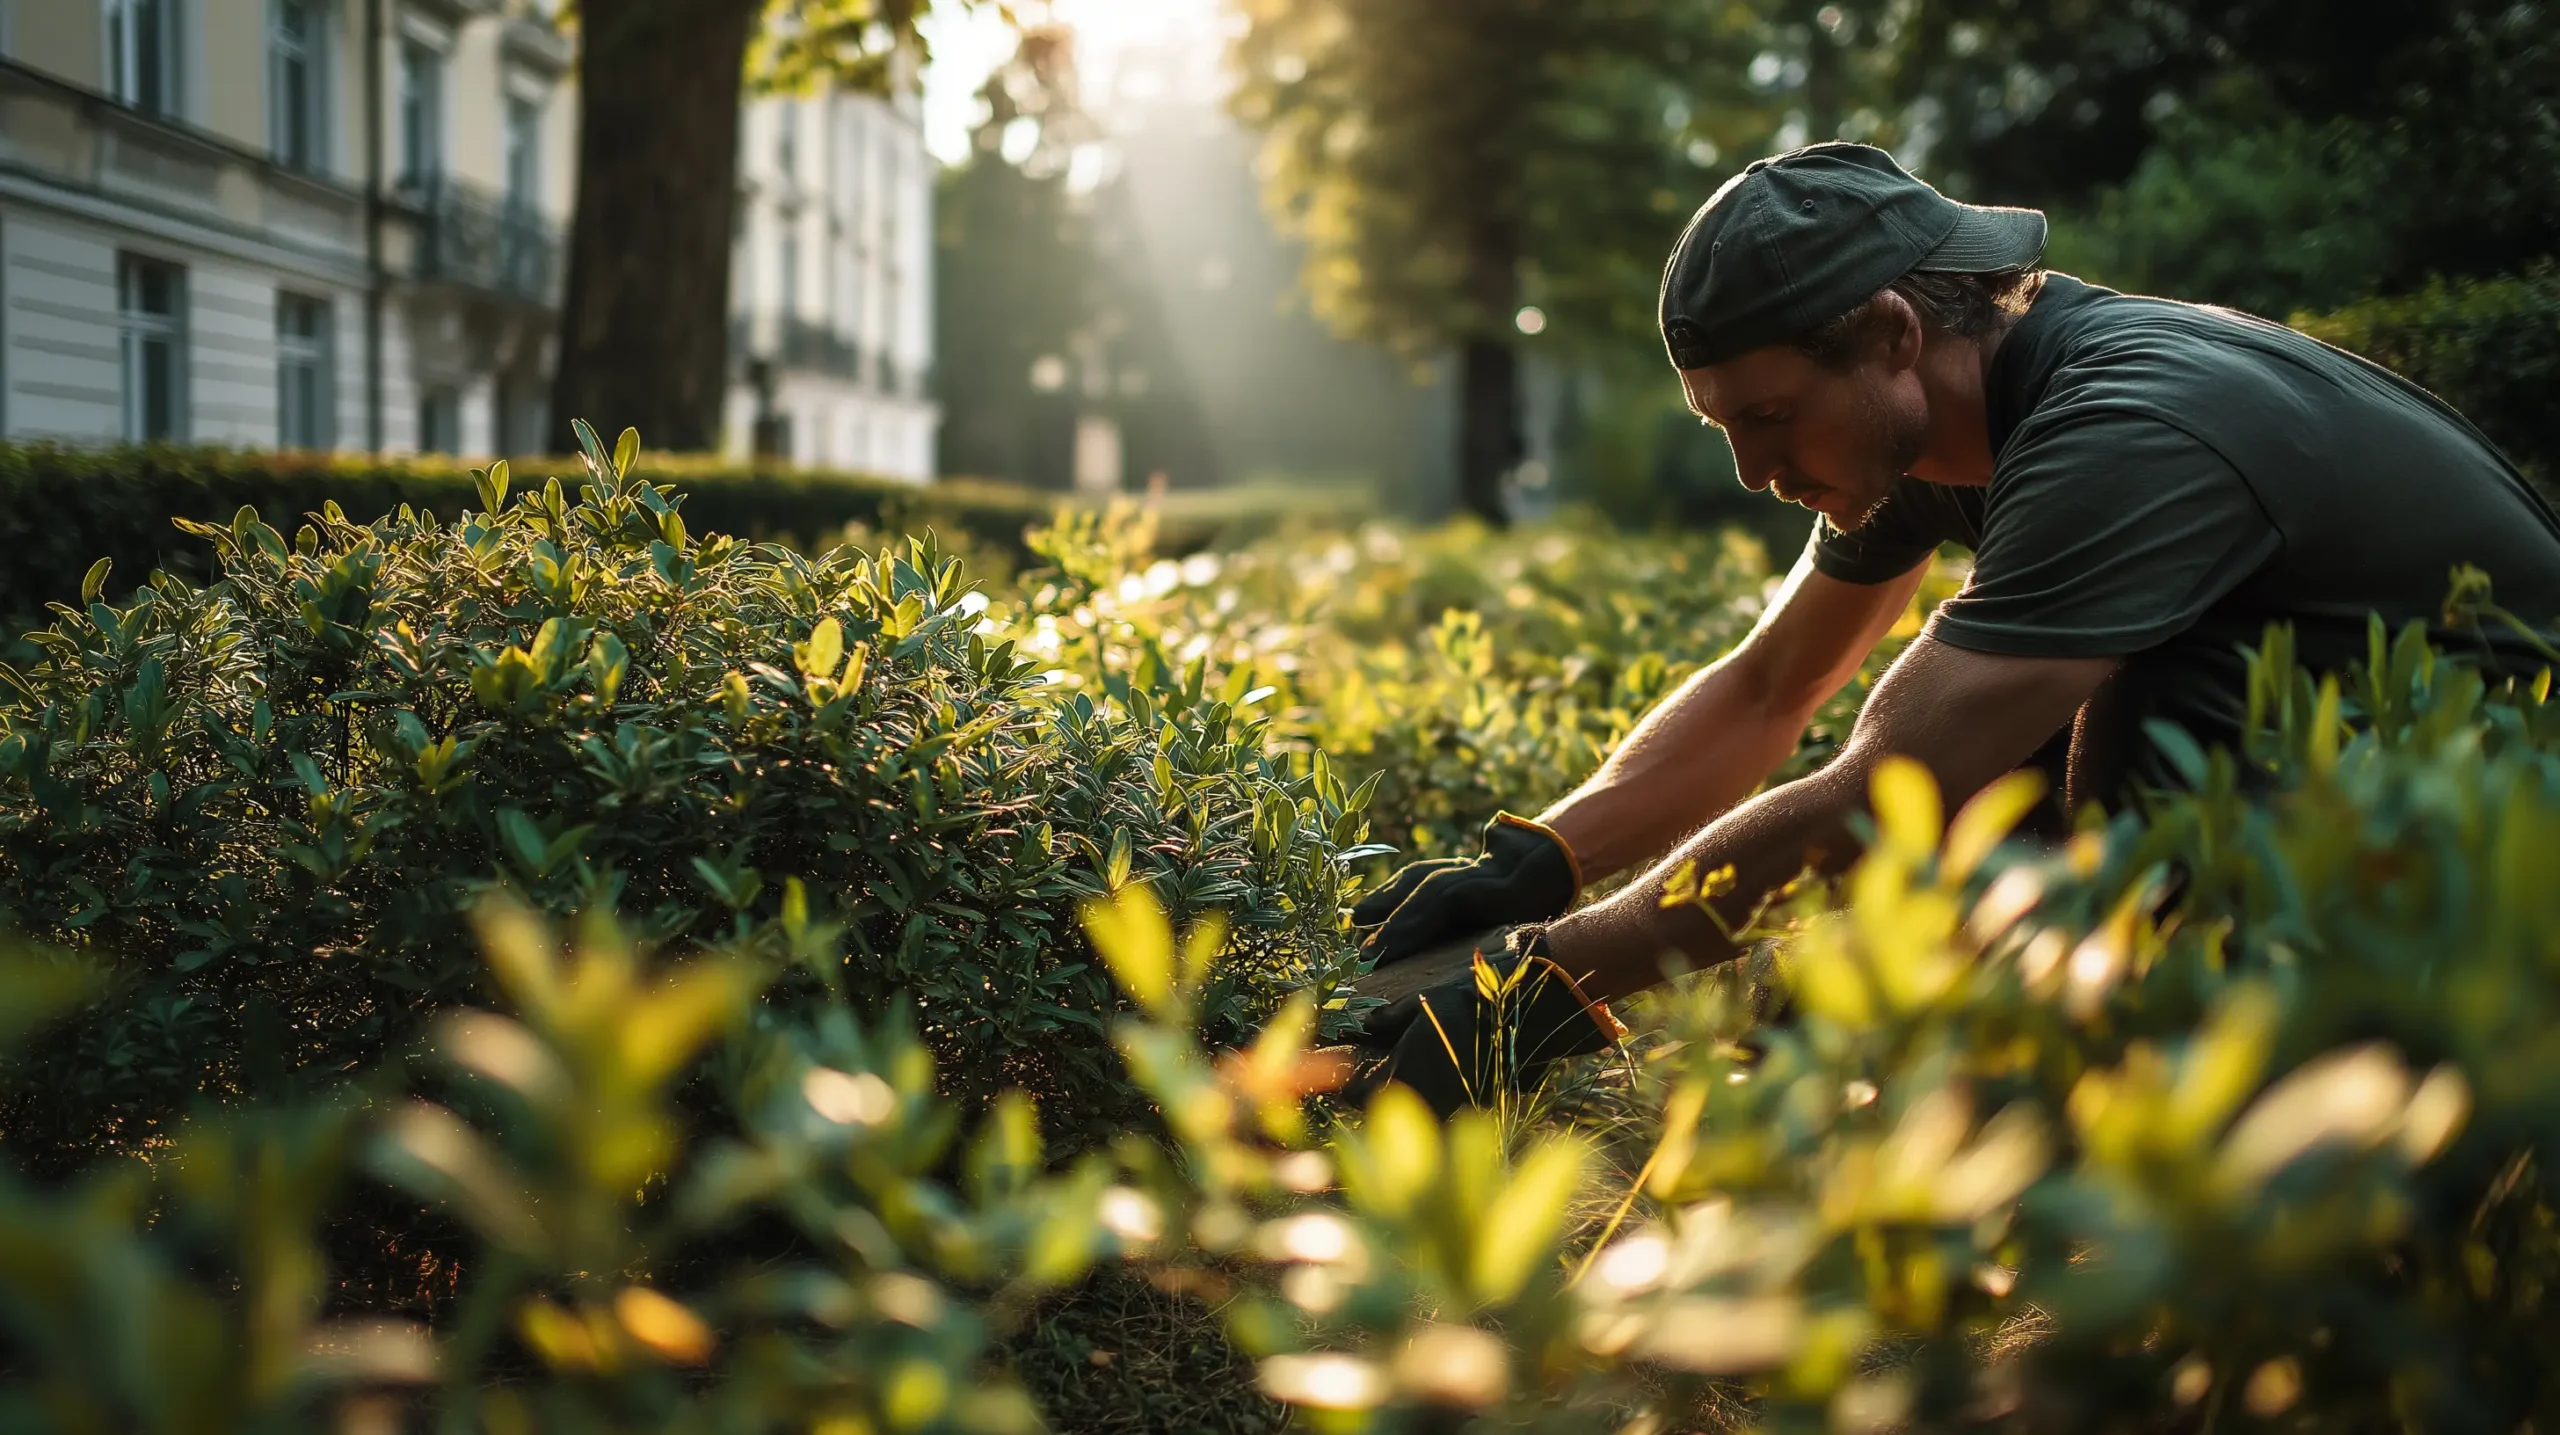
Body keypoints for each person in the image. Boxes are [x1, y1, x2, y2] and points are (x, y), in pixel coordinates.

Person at [1348, 142, 2560, 1115]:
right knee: (2018, 748)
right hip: (2368, 795)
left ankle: (2159, 1133)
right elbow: (1774, 686)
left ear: (1889, 334)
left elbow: (1880, 797)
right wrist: (1539, 860)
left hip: (2498, 844)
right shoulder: (1946, 426)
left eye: (1769, 416)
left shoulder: (2120, 430)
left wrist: (1546, 981)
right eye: (1726, 427)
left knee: (2074, 721)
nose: (1755, 470)